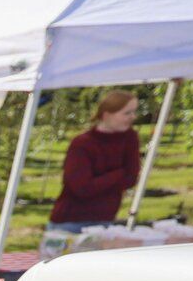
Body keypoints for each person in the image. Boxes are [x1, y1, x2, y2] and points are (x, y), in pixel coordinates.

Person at [51, 89, 143, 231]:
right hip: (71, 221)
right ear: (107, 115)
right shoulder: (82, 143)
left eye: (133, 112)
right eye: (127, 113)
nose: (133, 117)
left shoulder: (130, 138)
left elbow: (131, 178)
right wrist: (118, 173)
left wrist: (101, 180)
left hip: (105, 220)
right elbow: (81, 187)